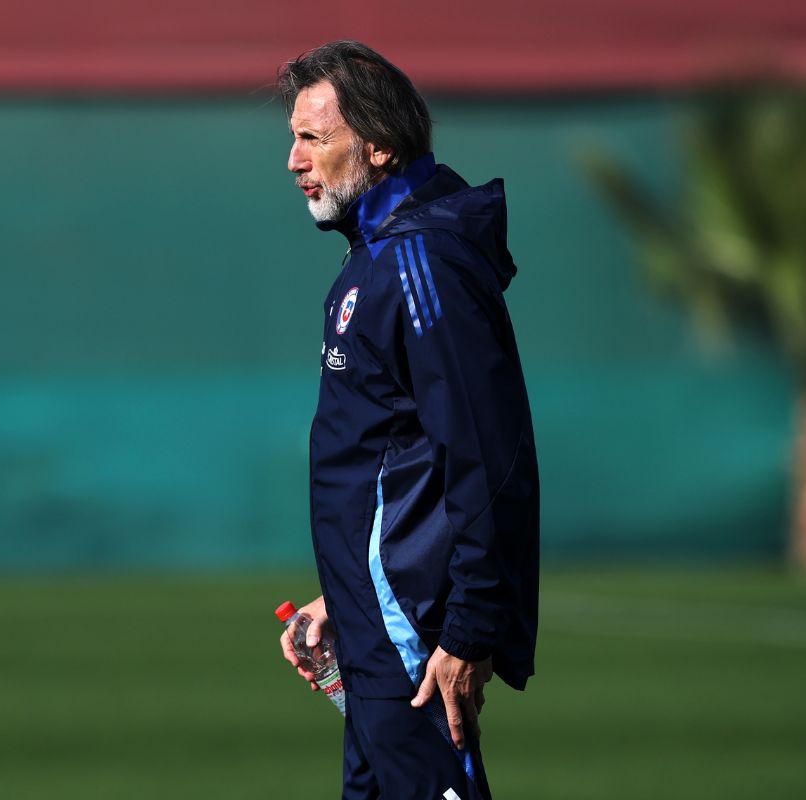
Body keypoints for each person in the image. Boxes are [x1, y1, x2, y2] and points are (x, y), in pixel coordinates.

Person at [276, 40, 539, 800]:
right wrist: (342, 596)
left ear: (379, 144)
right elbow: (393, 455)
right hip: (374, 635)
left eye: (313, 139)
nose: (294, 160)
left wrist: (467, 630)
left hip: (414, 645)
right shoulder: (376, 257)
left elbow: (483, 459)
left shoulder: (422, 261)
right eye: (293, 137)